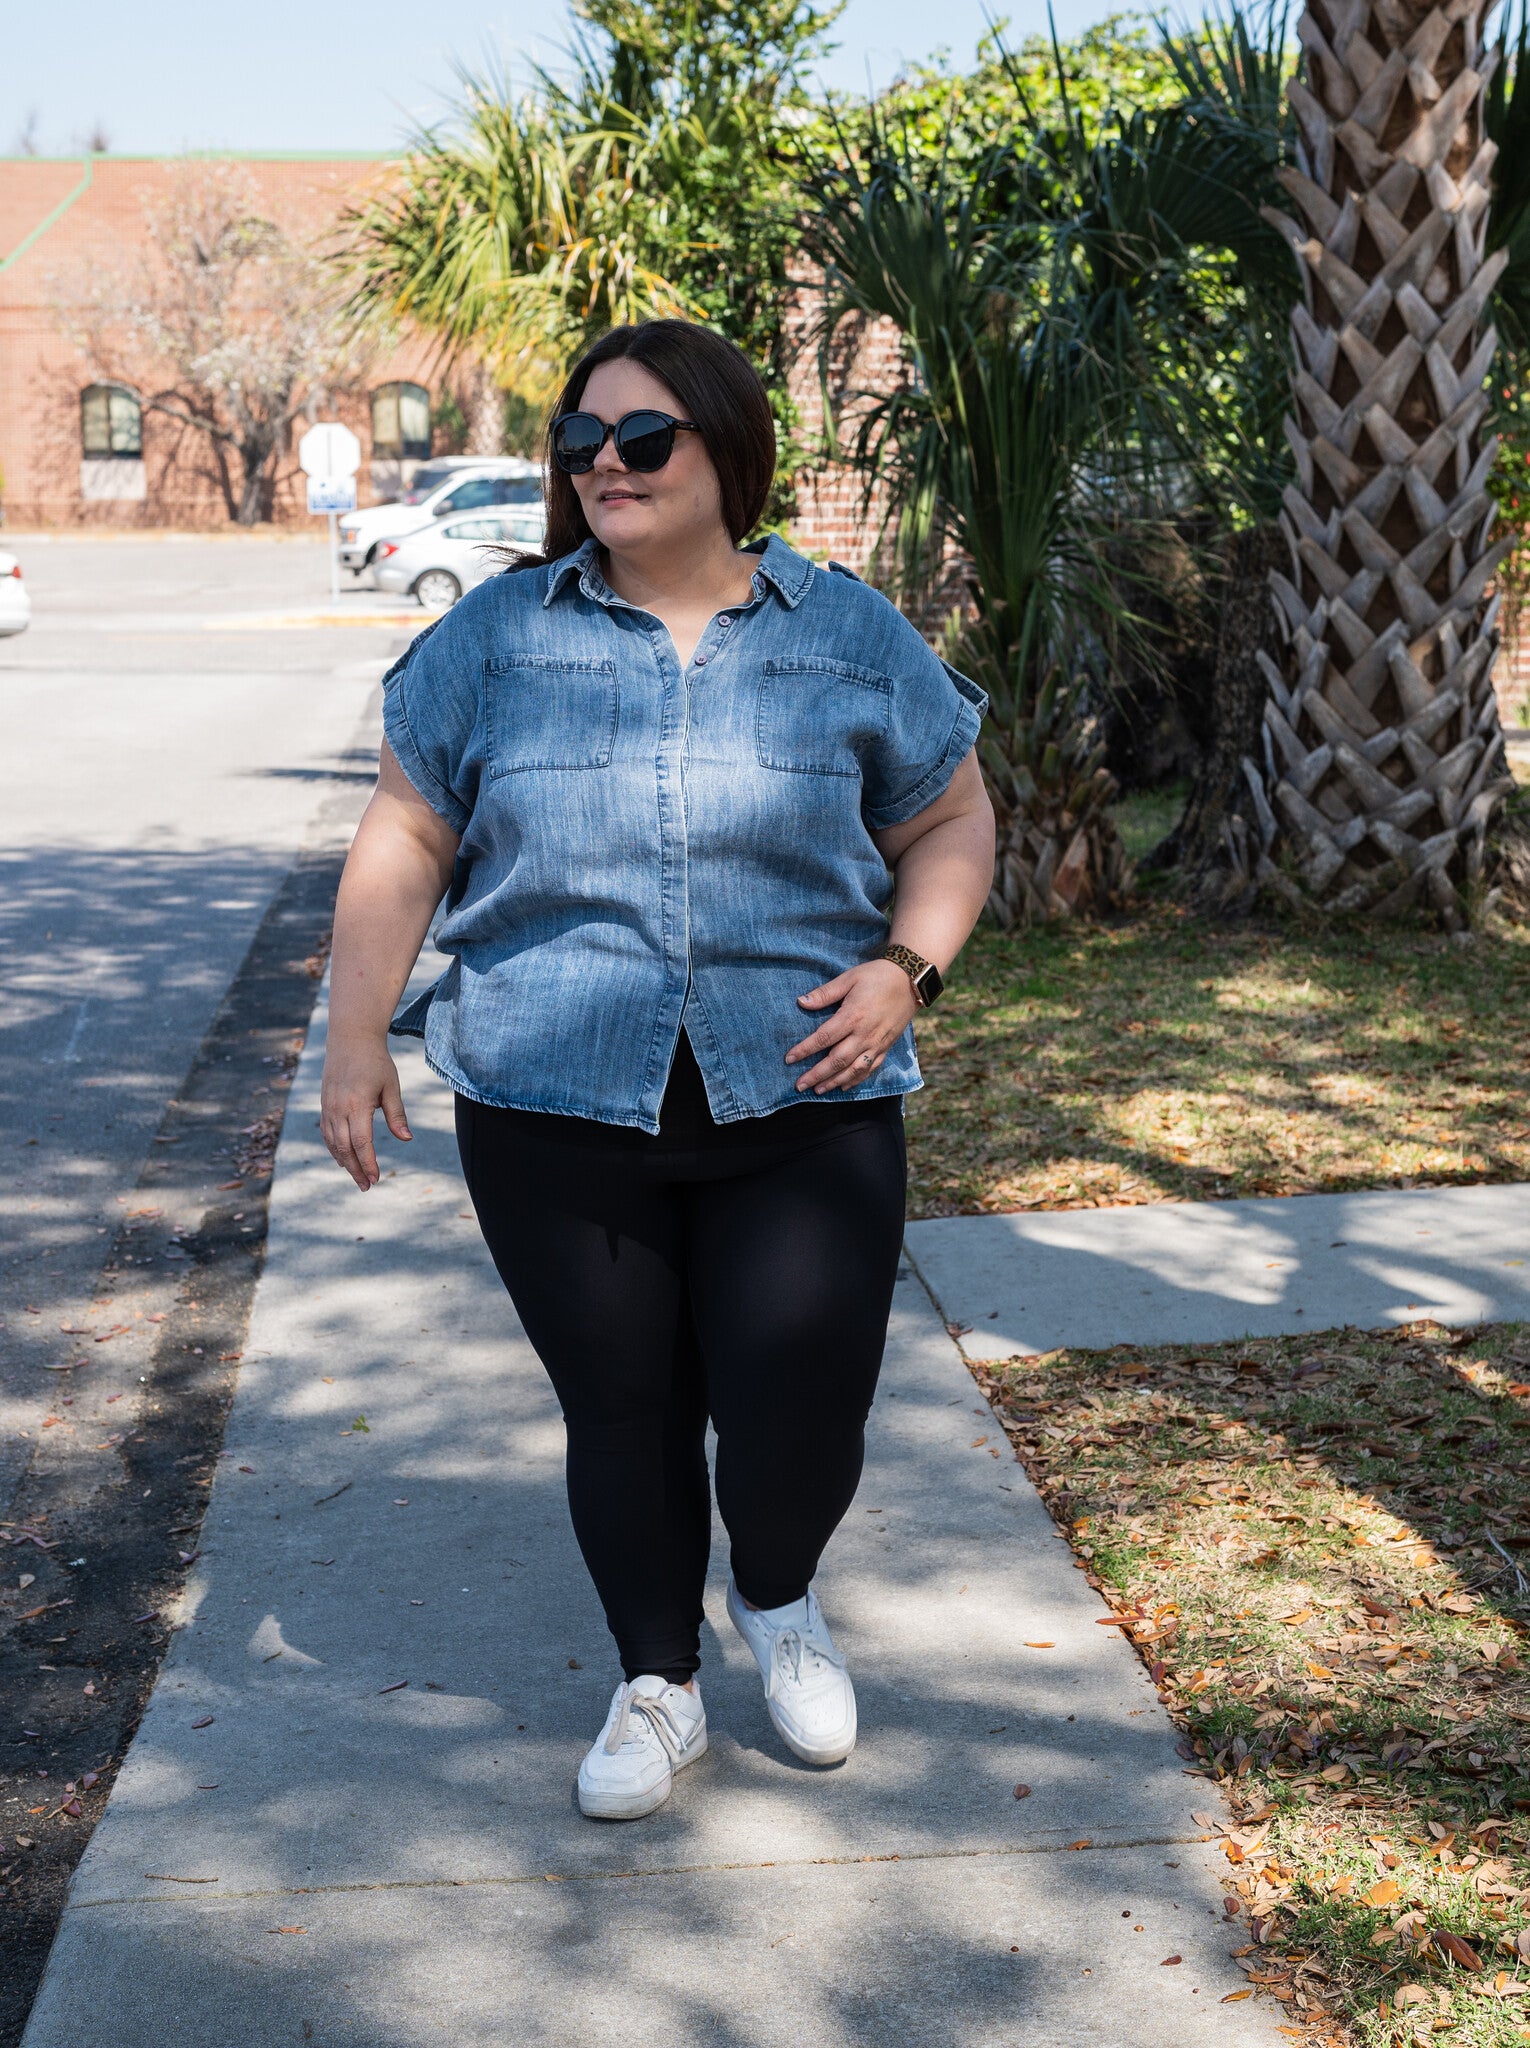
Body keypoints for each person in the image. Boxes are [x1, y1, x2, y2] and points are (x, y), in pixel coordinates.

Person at [319, 319, 994, 1821]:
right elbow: (408, 835)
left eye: (641, 439)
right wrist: (355, 1039)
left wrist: (908, 967)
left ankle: (776, 1594)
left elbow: (948, 820)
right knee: (620, 1407)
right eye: (580, 441)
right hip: (555, 1102)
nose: (602, 466)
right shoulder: (495, 638)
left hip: (805, 1095)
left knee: (798, 1400)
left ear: (724, 454)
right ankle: (656, 1684)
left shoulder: (842, 631)